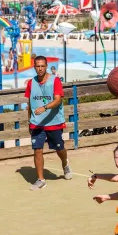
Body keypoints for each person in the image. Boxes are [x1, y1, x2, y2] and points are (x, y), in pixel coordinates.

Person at [24, 56, 72, 190]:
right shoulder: (30, 83)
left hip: (53, 121)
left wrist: (44, 108)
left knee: (59, 148)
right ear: (34, 67)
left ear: (46, 66)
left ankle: (65, 163)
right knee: (37, 150)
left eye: (42, 66)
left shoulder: (55, 80)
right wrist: (29, 121)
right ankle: (41, 180)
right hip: (37, 123)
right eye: (37, 66)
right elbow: (29, 103)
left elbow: (58, 100)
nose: (40, 69)